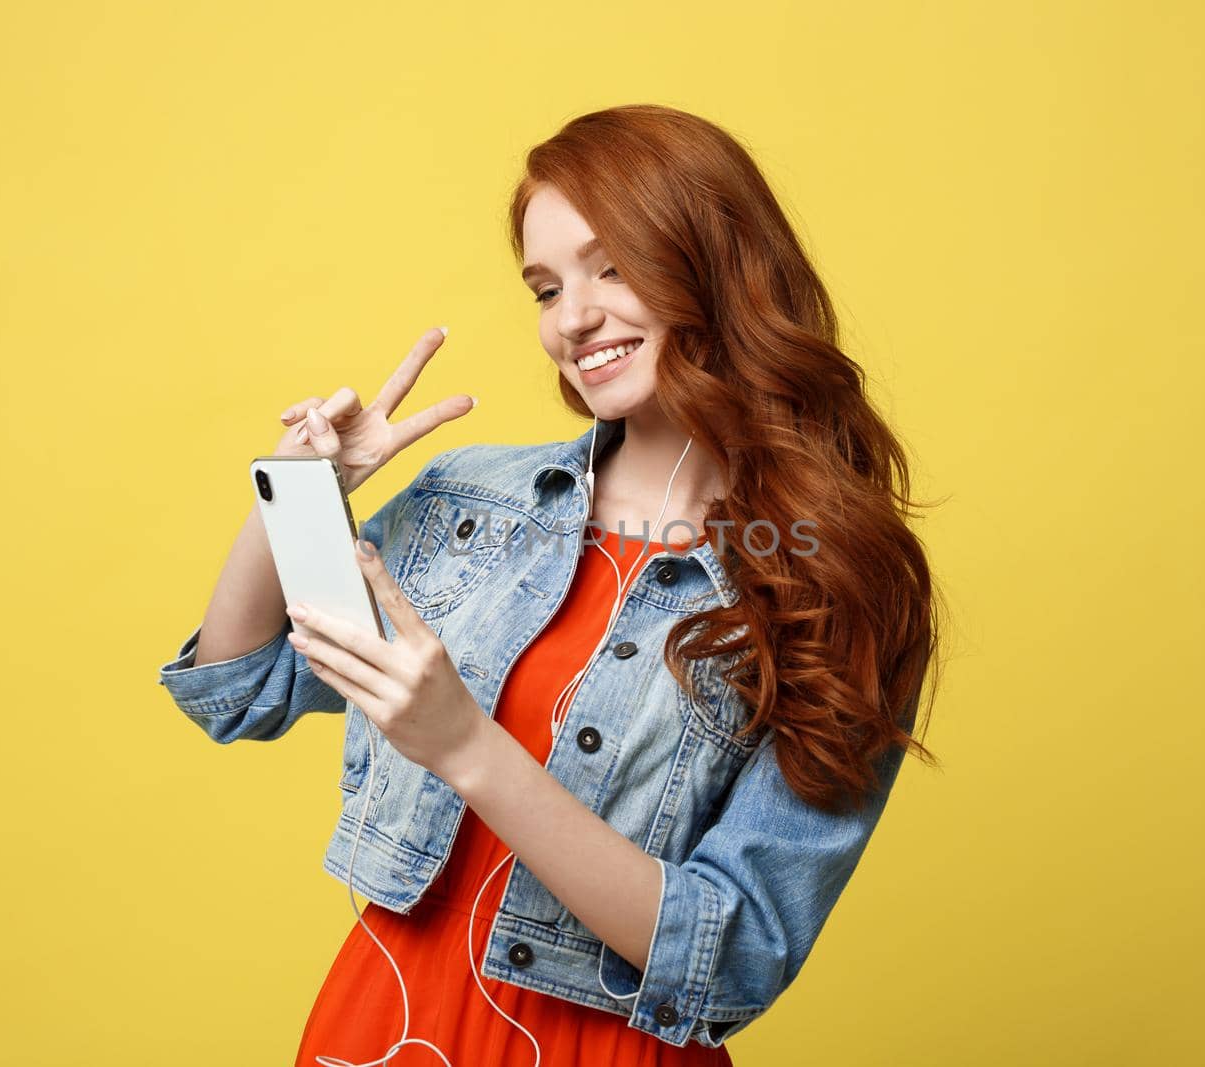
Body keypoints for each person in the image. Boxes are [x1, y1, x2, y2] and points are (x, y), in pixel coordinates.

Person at [156, 104, 940, 1066]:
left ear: (717, 266)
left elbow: (733, 953)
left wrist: (466, 747)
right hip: (386, 1028)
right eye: (544, 286)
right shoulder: (475, 505)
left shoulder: (832, 579)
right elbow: (239, 688)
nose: (572, 318)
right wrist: (303, 497)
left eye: (614, 268)